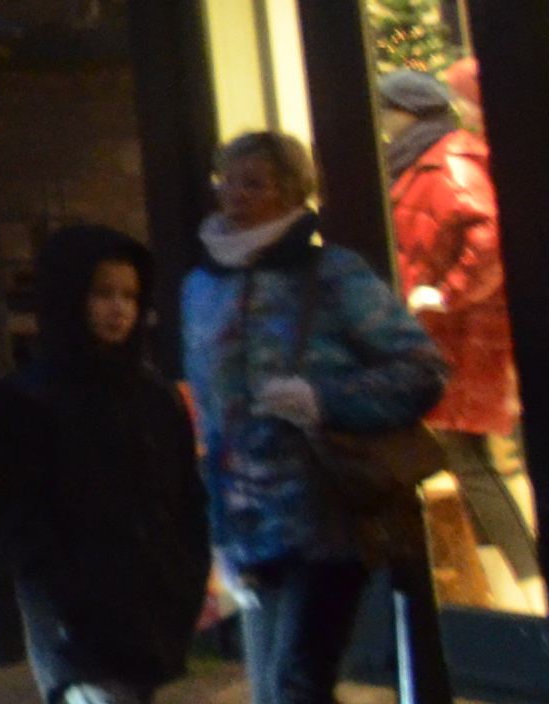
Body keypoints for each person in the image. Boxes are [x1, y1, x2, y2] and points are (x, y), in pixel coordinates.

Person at [185, 127, 444, 704]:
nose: (236, 194)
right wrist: (217, 530)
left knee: (297, 683)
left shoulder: (333, 275)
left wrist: (322, 399)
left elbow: (422, 370)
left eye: (255, 183)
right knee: (274, 688)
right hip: (244, 520)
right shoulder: (201, 286)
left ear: (293, 192)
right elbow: (211, 415)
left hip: (325, 512)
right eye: (228, 180)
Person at [0, 224, 207, 701]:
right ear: (71, 294)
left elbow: (184, 495)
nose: (119, 308)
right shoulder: (29, 399)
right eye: (102, 293)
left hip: (148, 602)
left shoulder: (151, 394)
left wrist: (183, 579)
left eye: (129, 294)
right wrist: (63, 586)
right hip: (76, 610)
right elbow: (15, 510)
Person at [382, 66, 535, 604]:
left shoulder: (444, 159)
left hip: (462, 333)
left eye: (386, 111)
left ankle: (530, 588)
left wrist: (446, 292)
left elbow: (488, 236)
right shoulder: (424, 160)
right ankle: (508, 587)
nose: (382, 124)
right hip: (443, 333)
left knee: (468, 461)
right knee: (463, 458)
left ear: (404, 112)